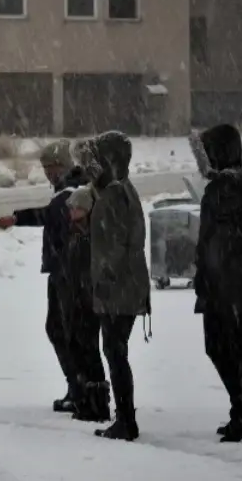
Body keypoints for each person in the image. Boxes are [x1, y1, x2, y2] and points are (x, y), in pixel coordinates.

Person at [0, 140, 90, 413]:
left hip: (68, 273)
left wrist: (17, 219)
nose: (49, 172)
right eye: (46, 167)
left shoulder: (71, 193)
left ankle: (80, 387)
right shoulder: (71, 190)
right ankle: (80, 386)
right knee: (64, 330)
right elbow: (50, 215)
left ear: (65, 165)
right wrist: (16, 218)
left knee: (64, 331)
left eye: (53, 166)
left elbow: (51, 215)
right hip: (66, 271)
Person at [192, 123, 242, 443]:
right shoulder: (235, 181)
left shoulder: (226, 186)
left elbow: (217, 241)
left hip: (227, 285)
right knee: (231, 347)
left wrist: (208, 275)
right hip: (236, 282)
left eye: (208, 152)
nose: (203, 159)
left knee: (223, 347)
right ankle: (241, 408)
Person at [86, 130, 151, 442]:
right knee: (116, 351)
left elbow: (113, 248)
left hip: (118, 289)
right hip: (130, 284)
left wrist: (103, 282)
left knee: (114, 352)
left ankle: (126, 420)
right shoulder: (124, 189)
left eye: (97, 159)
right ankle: (125, 418)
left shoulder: (113, 196)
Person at [62, 184, 112, 422]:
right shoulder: (76, 234)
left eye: (77, 208)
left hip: (90, 302)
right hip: (77, 300)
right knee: (77, 348)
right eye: (71, 208)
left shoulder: (93, 236)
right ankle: (86, 399)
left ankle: (97, 403)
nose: (72, 212)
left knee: (89, 351)